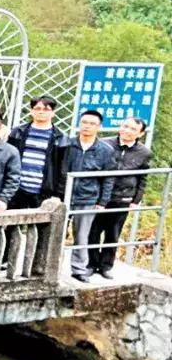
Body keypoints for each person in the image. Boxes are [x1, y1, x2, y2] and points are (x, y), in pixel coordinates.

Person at [89, 117, 151, 279]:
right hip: (101, 196)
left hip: (123, 197)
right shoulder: (104, 143)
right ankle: (91, 263)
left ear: (140, 133)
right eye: (125, 126)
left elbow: (143, 179)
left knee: (113, 232)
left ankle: (106, 266)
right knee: (94, 230)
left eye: (133, 129)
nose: (127, 131)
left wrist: (136, 200)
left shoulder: (144, 153)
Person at [57, 110, 115, 282]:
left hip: (87, 197)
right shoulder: (67, 144)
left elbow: (108, 178)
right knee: (55, 234)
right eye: (84, 122)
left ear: (99, 127)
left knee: (82, 235)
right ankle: (49, 267)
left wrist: (102, 201)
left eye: (92, 123)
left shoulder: (105, 150)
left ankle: (79, 269)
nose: (87, 126)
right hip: (63, 196)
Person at [6, 96, 64, 210]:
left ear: (53, 113)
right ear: (31, 111)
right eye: (37, 109)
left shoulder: (60, 138)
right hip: (17, 189)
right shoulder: (17, 132)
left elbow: (62, 170)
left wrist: (58, 194)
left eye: (46, 109)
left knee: (41, 227)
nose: (41, 112)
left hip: (44, 191)